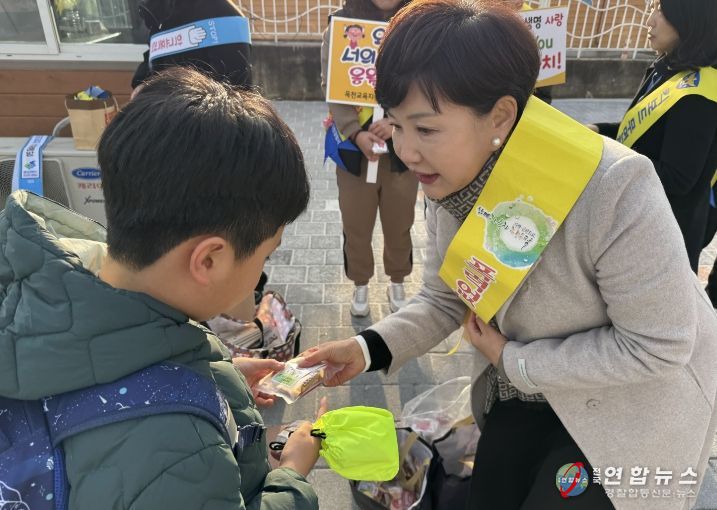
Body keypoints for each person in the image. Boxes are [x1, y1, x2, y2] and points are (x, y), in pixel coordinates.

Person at [301, 1, 717, 508]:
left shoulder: (614, 186)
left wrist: (513, 359)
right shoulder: (451, 177)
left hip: (626, 414)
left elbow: (658, 345)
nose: (405, 151)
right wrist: (365, 349)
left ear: (500, 116)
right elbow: (445, 297)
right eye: (396, 124)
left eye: (425, 129)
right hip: (524, 394)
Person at [0, 68, 324, 509]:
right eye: (265, 256)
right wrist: (293, 476)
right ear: (208, 260)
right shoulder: (176, 446)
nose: (260, 273)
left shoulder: (49, 293)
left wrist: (218, 375)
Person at [588, 0, 717, 272]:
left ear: (689, 22)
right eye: (654, 8)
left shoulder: (700, 92)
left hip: (662, 240)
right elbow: (642, 133)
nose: (649, 20)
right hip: (632, 220)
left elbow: (677, 178)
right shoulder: (666, 65)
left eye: (662, 12)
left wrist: (608, 156)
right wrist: (600, 130)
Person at [320, 0, 419, 317]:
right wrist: (355, 132)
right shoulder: (341, 25)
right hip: (354, 153)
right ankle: (360, 282)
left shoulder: (419, 23)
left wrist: (396, 122)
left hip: (402, 150)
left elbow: (428, 84)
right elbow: (332, 84)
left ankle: (398, 281)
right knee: (356, 224)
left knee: (400, 223)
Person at [132, 0, 253, 92]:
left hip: (204, 113)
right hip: (163, 109)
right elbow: (156, 49)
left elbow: (236, 86)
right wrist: (142, 81)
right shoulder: (159, 8)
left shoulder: (222, 12)